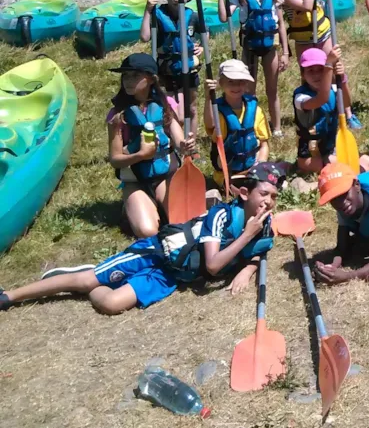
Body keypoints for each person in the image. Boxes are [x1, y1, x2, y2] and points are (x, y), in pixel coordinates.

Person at [0, 162, 281, 314]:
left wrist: (248, 268)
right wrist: (246, 236)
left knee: (110, 305)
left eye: (274, 197)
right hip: (157, 251)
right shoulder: (221, 215)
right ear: (244, 194)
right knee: (88, 280)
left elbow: (261, 249)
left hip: (173, 275)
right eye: (263, 194)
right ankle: (10, 296)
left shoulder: (263, 226)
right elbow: (213, 266)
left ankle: (90, 280)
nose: (268, 202)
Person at [106, 53, 196, 238]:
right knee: (148, 232)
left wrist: (185, 146)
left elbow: (178, 141)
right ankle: (133, 206)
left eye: (135, 75)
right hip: (135, 181)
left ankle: (156, 205)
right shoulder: (117, 115)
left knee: (183, 223)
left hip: (166, 176)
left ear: (151, 79)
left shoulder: (166, 105)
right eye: (126, 76)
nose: (128, 81)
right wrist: (140, 155)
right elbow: (115, 160)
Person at [282, 0, 361, 131]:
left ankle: (347, 112)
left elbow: (321, 7)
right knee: (309, 75)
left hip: (323, 33)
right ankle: (314, 109)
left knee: (334, 70)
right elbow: (307, 5)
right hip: (303, 40)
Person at [218, 0, 290, 136]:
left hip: (270, 46)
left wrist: (286, 52)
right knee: (249, 90)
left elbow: (281, 24)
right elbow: (224, 16)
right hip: (249, 46)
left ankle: (277, 128)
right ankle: (251, 127)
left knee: (272, 89)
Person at [292, 47, 369, 178]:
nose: (316, 75)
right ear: (302, 74)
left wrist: (342, 79)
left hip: (331, 149)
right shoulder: (300, 97)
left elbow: (346, 104)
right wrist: (328, 66)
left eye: (320, 70)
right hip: (311, 155)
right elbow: (322, 99)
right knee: (351, 171)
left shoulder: (334, 89)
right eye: (310, 70)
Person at [140, 0, 201, 125]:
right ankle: (174, 143)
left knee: (191, 109)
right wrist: (148, 10)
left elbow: (203, 37)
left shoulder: (192, 16)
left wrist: (201, 47)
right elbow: (145, 37)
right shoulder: (157, 15)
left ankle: (191, 144)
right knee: (173, 112)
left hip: (188, 68)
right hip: (166, 70)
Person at [204, 59, 270, 188]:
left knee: (272, 183)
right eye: (230, 82)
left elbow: (264, 145)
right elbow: (211, 125)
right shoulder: (218, 111)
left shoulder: (255, 110)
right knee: (242, 191)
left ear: (246, 83)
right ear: (221, 83)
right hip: (227, 174)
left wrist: (260, 164)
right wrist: (208, 98)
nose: (235, 86)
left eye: (240, 82)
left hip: (252, 169)